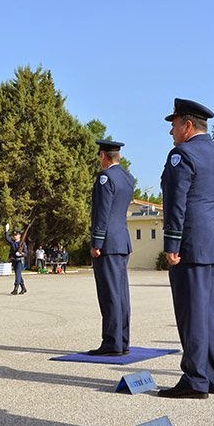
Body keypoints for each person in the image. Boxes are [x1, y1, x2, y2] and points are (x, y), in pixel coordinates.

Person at [158, 98, 214, 398]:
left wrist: (172, 242)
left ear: (187, 125)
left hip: (191, 243)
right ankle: (211, 375)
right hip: (213, 243)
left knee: (191, 314)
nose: (171, 132)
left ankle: (195, 379)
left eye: (174, 125)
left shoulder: (181, 155)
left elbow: (177, 202)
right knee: (210, 314)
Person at [88, 139, 135, 356]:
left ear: (103, 156)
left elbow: (102, 212)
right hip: (121, 240)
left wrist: (96, 242)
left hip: (107, 242)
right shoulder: (126, 177)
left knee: (109, 294)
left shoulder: (105, 178)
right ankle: (122, 340)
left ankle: (112, 342)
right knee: (121, 294)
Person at [4, 225, 28, 295]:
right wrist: (6, 231)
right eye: (14, 235)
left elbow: (26, 253)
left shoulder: (23, 243)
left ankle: (16, 288)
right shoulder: (13, 243)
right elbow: (7, 239)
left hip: (20, 260)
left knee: (17, 275)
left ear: (19, 236)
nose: (15, 236)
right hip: (15, 261)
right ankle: (23, 288)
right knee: (18, 275)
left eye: (16, 235)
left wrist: (21, 254)